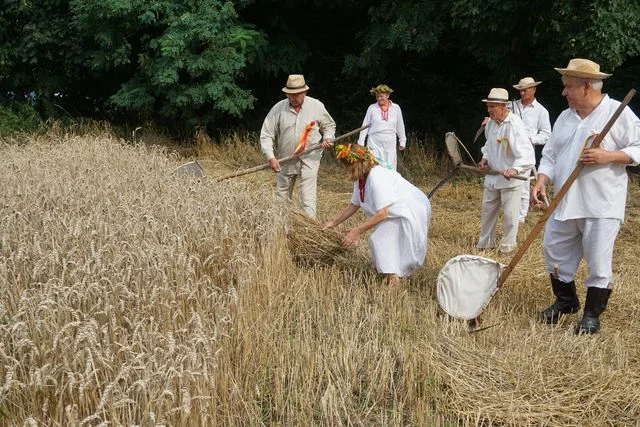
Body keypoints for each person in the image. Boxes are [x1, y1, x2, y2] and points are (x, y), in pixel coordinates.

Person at [531, 58, 640, 335]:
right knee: (553, 249)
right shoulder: (565, 117)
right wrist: (542, 179)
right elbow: (551, 155)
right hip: (565, 200)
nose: (564, 92)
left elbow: (638, 148)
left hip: (601, 202)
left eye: (568, 87)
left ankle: (592, 315)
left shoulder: (618, 112)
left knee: (597, 258)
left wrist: (609, 156)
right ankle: (566, 301)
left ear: (587, 87)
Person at [323, 143, 431, 285]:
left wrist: (357, 231)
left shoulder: (376, 177)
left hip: (412, 208)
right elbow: (353, 205)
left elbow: (382, 214)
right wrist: (333, 223)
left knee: (381, 238)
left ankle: (394, 277)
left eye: (346, 165)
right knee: (383, 238)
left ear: (354, 164)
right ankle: (392, 274)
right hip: (398, 210)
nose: (345, 169)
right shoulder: (362, 178)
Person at [260, 74, 336, 219]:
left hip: (310, 158)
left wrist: (327, 138)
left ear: (305, 92)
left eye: (296, 94)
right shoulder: (278, 109)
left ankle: (309, 229)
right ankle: (280, 227)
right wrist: (270, 157)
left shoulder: (316, 106)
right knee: (282, 196)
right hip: (286, 158)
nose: (293, 98)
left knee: (307, 197)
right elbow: (266, 134)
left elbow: (329, 125)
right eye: (290, 95)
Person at [476, 88, 535, 253]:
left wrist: (514, 169)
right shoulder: (491, 125)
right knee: (487, 212)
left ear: (504, 106)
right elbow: (488, 145)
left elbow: (527, 153)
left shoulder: (514, 125)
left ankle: (508, 247)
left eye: (492, 106)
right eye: (488, 106)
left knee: (510, 216)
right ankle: (485, 244)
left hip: (510, 181)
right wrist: (484, 159)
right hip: (493, 177)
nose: (489, 110)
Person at [512, 77, 552, 223]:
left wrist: (531, 139)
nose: (522, 93)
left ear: (534, 90)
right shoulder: (511, 106)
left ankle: (520, 218)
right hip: (508, 149)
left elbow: (547, 134)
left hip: (525, 152)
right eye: (520, 90)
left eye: (525, 90)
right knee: (506, 181)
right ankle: (509, 212)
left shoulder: (541, 111)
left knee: (522, 183)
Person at [357, 84, 407, 170]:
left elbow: (400, 125)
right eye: (377, 96)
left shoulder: (396, 108)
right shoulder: (372, 108)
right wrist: (361, 141)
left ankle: (388, 183)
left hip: (390, 141)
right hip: (374, 142)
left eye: (381, 96)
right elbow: (364, 126)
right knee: (374, 166)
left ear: (387, 95)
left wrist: (402, 140)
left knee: (389, 167)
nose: (379, 99)